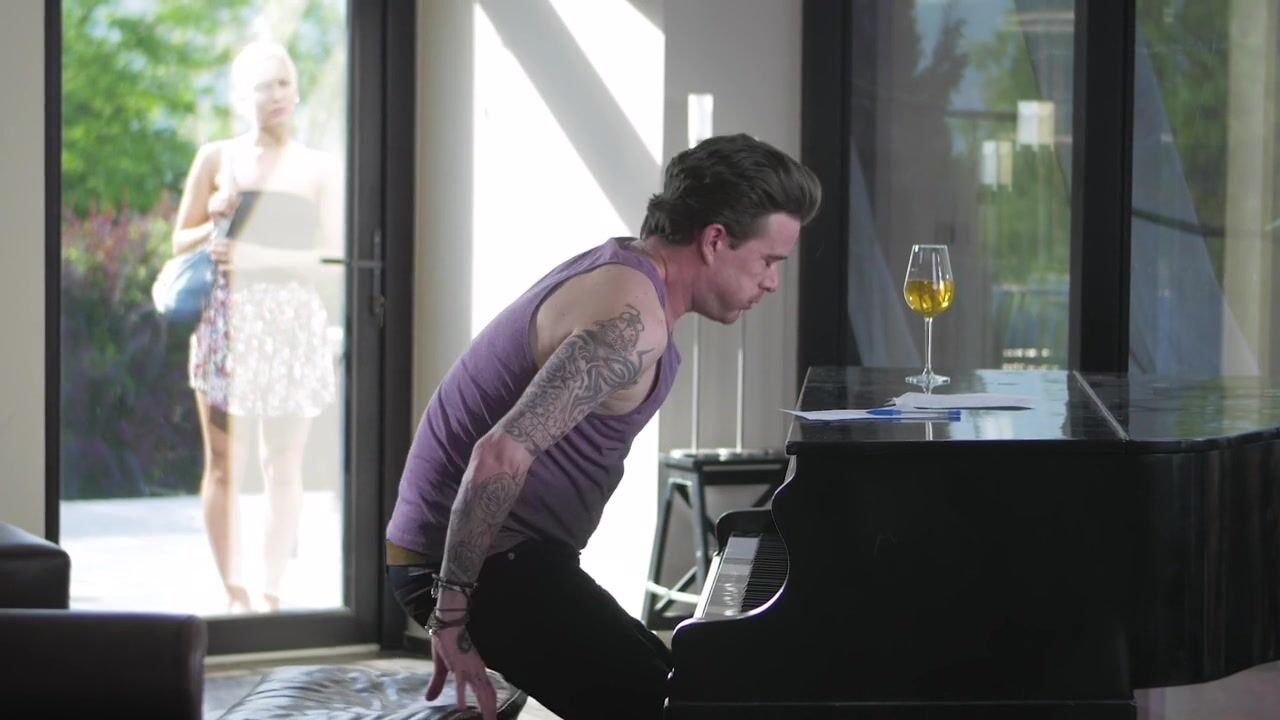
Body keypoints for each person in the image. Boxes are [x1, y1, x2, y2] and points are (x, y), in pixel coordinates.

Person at [385, 133, 820, 718]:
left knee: (679, 686)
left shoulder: (627, 274)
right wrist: (451, 616)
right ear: (715, 240)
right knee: (668, 707)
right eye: (768, 261)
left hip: (514, 558)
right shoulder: (630, 322)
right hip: (469, 566)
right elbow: (498, 455)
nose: (771, 282)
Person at [170, 40, 342, 614]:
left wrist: (257, 256)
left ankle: (270, 591)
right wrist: (215, 219)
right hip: (226, 326)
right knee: (223, 466)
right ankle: (232, 591)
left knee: (281, 465)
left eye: (285, 82)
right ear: (241, 96)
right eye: (264, 85)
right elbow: (179, 242)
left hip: (292, 328)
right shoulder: (215, 158)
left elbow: (333, 260)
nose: (277, 95)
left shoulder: (320, 168)